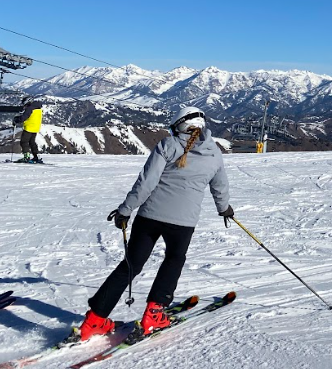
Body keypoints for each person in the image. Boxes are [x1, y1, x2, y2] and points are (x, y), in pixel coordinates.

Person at [79, 106, 233, 340]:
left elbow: (146, 183)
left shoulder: (168, 145)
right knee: (173, 260)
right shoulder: (214, 153)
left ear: (179, 125)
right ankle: (154, 314)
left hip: (149, 216)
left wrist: (125, 209)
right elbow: (219, 186)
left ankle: (95, 320)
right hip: (183, 222)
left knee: (130, 265)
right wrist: (224, 209)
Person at [0, 96, 43, 163]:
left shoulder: (30, 108)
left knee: (24, 142)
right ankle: (36, 156)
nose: (24, 106)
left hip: (29, 128)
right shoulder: (38, 108)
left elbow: (24, 117)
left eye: (25, 104)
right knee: (32, 142)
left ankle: (26, 157)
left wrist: (17, 119)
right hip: (36, 128)